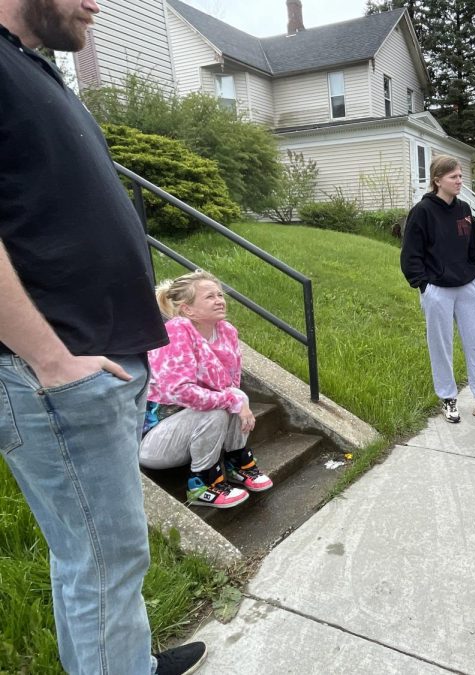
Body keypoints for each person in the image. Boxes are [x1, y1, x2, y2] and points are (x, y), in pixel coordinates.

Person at [0, 0, 206, 672]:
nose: (94, 4)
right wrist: (53, 360)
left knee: (90, 556)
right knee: (104, 559)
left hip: (90, 356)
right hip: (56, 371)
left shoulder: (34, 69)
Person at [140, 271, 273, 508]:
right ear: (188, 309)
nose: (219, 300)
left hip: (190, 428)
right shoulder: (176, 330)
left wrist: (234, 399)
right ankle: (202, 483)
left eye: (220, 295)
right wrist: (230, 400)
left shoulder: (226, 332)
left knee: (237, 396)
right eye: (210, 297)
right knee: (218, 408)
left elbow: (232, 385)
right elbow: (180, 391)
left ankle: (235, 463)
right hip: (155, 440)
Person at [400, 155, 475, 424]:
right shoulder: (422, 212)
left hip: (468, 285)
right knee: (441, 346)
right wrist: (423, 284)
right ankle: (448, 399)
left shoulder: (464, 209)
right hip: (437, 288)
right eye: (454, 177)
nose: (460, 181)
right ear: (438, 180)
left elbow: (473, 246)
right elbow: (410, 255)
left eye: (460, 176)